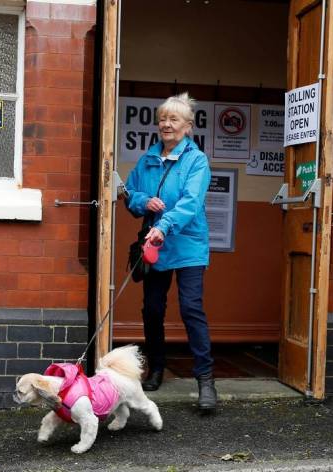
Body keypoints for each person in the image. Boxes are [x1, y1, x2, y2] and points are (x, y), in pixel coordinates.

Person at [124, 92, 217, 412]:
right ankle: (157, 368)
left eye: (174, 119)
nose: (166, 124)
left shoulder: (197, 160)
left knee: (191, 308)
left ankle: (205, 379)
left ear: (188, 127)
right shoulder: (148, 159)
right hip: (154, 248)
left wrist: (164, 225)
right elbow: (130, 193)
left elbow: (191, 203)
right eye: (162, 118)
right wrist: (143, 202)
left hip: (187, 243)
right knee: (152, 309)